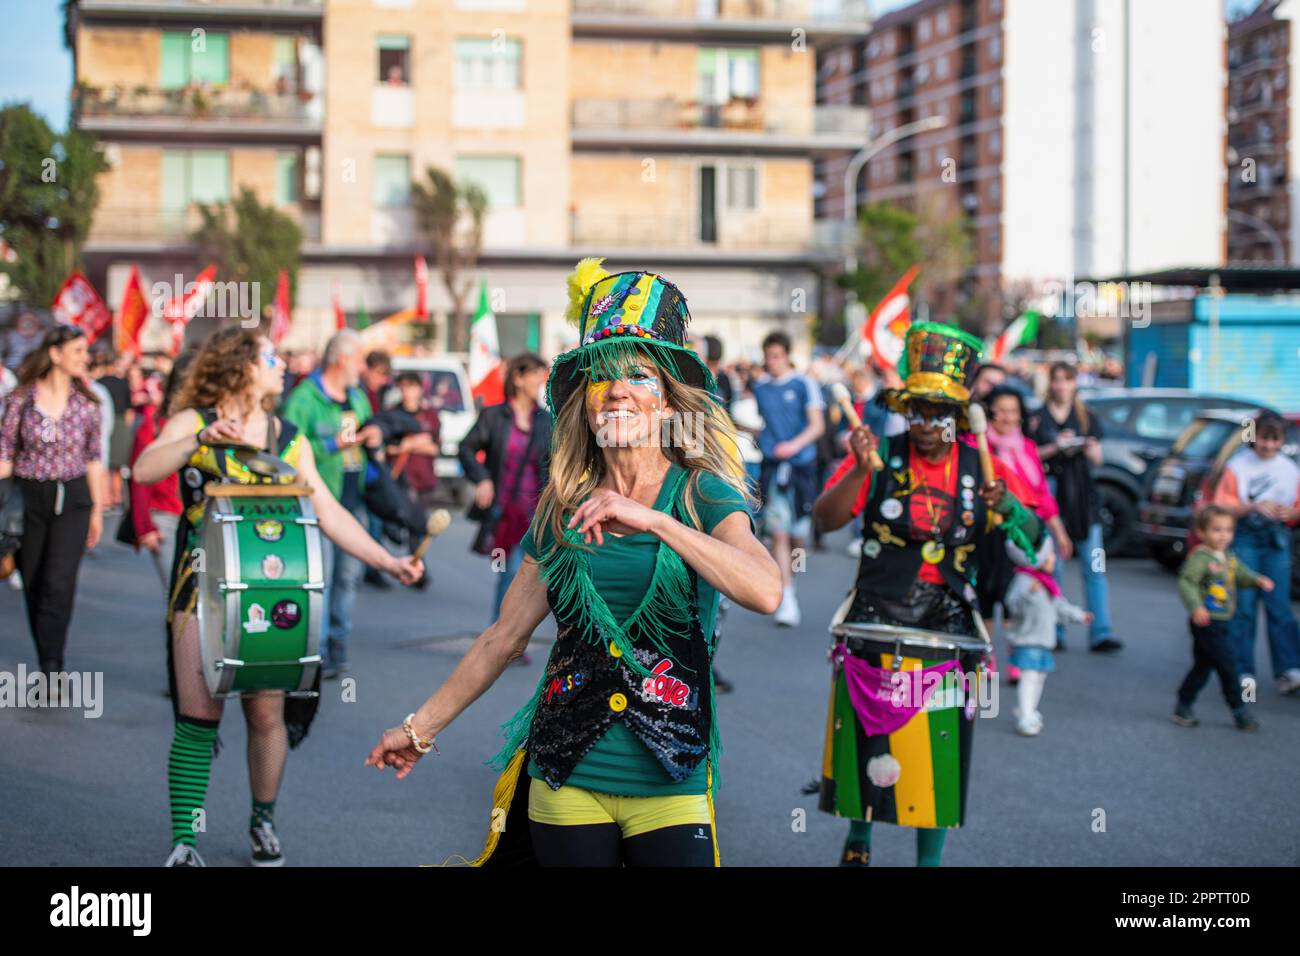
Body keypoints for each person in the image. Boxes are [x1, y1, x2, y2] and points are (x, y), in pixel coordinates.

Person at [366, 258, 781, 867]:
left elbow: (765, 589)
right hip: (569, 777)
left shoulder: (702, 495)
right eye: (602, 377)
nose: (617, 389)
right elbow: (503, 638)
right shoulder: (562, 511)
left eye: (639, 375)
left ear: (669, 402)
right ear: (584, 405)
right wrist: (419, 728)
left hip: (672, 779)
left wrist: (658, 522)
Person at [133, 327, 422, 867]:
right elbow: (145, 468)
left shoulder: (288, 436)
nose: (282, 366)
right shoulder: (194, 420)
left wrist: (388, 560)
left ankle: (262, 823)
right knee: (199, 719)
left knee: (266, 718)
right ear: (243, 365)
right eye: (271, 358)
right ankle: (185, 843)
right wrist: (198, 443)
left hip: (272, 590)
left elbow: (329, 510)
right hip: (200, 587)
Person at [812, 323, 1045, 867]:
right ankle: (859, 839)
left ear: (959, 418)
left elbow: (1032, 542)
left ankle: (928, 862)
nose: (925, 423)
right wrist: (857, 469)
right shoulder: (880, 455)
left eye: (938, 413)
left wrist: (1006, 506)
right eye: (916, 410)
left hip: (950, 625)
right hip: (875, 616)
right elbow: (824, 520)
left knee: (938, 750)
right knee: (869, 738)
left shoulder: (983, 468)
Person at [0, 325, 105, 693]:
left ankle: (52, 665)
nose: (84, 357)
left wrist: (96, 509)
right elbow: (5, 454)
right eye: (77, 350)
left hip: (73, 498)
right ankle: (45, 651)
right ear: (56, 354)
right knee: (34, 580)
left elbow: (94, 458)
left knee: (59, 582)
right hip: (28, 498)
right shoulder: (21, 399)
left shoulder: (89, 404)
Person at [281, 329, 382, 679]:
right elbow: (287, 448)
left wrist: (375, 437)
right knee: (319, 580)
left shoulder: (357, 397)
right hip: (319, 502)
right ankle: (317, 650)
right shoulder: (304, 398)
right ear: (341, 359)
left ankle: (338, 644)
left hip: (355, 500)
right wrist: (331, 445)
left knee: (348, 578)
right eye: (358, 360)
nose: (362, 368)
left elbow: (368, 428)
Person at [979, 385, 1073, 684]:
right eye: (1001, 410)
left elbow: (1041, 494)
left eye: (1013, 411)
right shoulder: (979, 446)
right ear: (989, 413)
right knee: (987, 596)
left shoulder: (1027, 447)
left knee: (1015, 597)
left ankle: (1015, 656)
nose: (1007, 417)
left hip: (1023, 533)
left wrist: (1058, 532)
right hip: (988, 531)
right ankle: (987, 657)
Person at [1031, 362, 1122, 653]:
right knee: (1053, 567)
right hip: (1052, 495)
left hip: (1084, 500)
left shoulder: (1087, 417)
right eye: (1056, 380)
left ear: (1074, 384)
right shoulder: (1037, 418)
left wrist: (1086, 447)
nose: (1061, 386)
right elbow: (1031, 456)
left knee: (1095, 566)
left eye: (1066, 380)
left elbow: (1098, 459)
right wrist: (1057, 447)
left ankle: (1101, 632)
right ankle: (1055, 630)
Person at [1209, 412, 1300, 695]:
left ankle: (1289, 669)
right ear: (1254, 437)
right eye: (1264, 438)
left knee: (1279, 606)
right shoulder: (1238, 466)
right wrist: (1252, 507)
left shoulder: (1290, 469)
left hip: (1276, 540)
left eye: (1275, 440)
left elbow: (1297, 507)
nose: (1269, 445)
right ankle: (1242, 671)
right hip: (1244, 538)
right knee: (1244, 607)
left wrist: (1291, 512)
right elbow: (1221, 507)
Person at [459, 352, 552, 624]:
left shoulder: (546, 420)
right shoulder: (494, 416)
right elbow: (466, 448)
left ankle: (509, 634)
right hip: (504, 511)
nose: (540, 380)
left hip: (537, 511)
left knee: (533, 579)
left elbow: (555, 464)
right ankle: (500, 636)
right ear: (519, 378)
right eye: (535, 374)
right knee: (509, 572)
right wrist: (482, 479)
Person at [752, 331, 825, 627]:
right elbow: (764, 424)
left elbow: (817, 425)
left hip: (801, 469)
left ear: (787, 355)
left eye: (777, 356)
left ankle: (790, 579)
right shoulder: (760, 388)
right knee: (779, 532)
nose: (772, 362)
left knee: (797, 536)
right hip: (773, 469)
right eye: (768, 356)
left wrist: (794, 445)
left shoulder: (805, 384)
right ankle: (787, 597)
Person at [1173, 506, 1268, 729]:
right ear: (1202, 532)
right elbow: (1187, 582)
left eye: (1228, 530)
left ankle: (1183, 704)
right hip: (1206, 621)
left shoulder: (1227, 556)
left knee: (1203, 667)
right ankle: (1239, 709)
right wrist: (1196, 607)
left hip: (1223, 620)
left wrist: (1256, 580)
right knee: (1228, 665)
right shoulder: (1201, 558)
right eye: (1217, 530)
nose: (1224, 535)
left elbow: (1241, 574)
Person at [1002, 536, 1091, 735]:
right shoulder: (1025, 580)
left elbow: (1060, 606)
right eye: (1049, 556)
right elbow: (1012, 604)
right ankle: (1025, 715)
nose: (1053, 559)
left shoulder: (1048, 584)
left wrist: (1079, 616)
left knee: (1039, 677)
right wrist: (1028, 595)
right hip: (1028, 639)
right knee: (1030, 677)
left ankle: (1029, 710)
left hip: (1044, 641)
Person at [127, 364, 185, 590]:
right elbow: (139, 480)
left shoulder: (209, 425)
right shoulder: (153, 425)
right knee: (175, 592)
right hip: (165, 521)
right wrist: (144, 527)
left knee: (197, 592)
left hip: (200, 524)